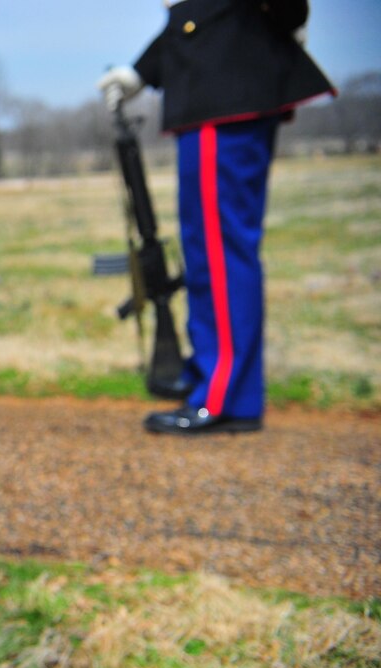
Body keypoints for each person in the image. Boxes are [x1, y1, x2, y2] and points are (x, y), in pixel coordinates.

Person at [98, 0, 333, 435]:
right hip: (213, 99)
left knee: (221, 251)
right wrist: (141, 72)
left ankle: (226, 394)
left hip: (227, 99)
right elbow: (196, 17)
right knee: (205, 252)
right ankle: (214, 374)